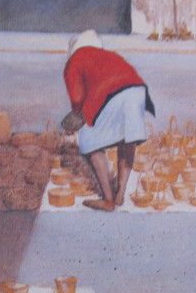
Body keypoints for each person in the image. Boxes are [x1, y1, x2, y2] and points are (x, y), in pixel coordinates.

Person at [64, 30, 155, 212]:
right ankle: (120, 194)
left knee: (89, 141)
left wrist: (77, 115)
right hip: (137, 91)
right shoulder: (108, 55)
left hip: (109, 95)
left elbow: (77, 96)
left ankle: (108, 200)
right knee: (127, 138)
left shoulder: (74, 61)